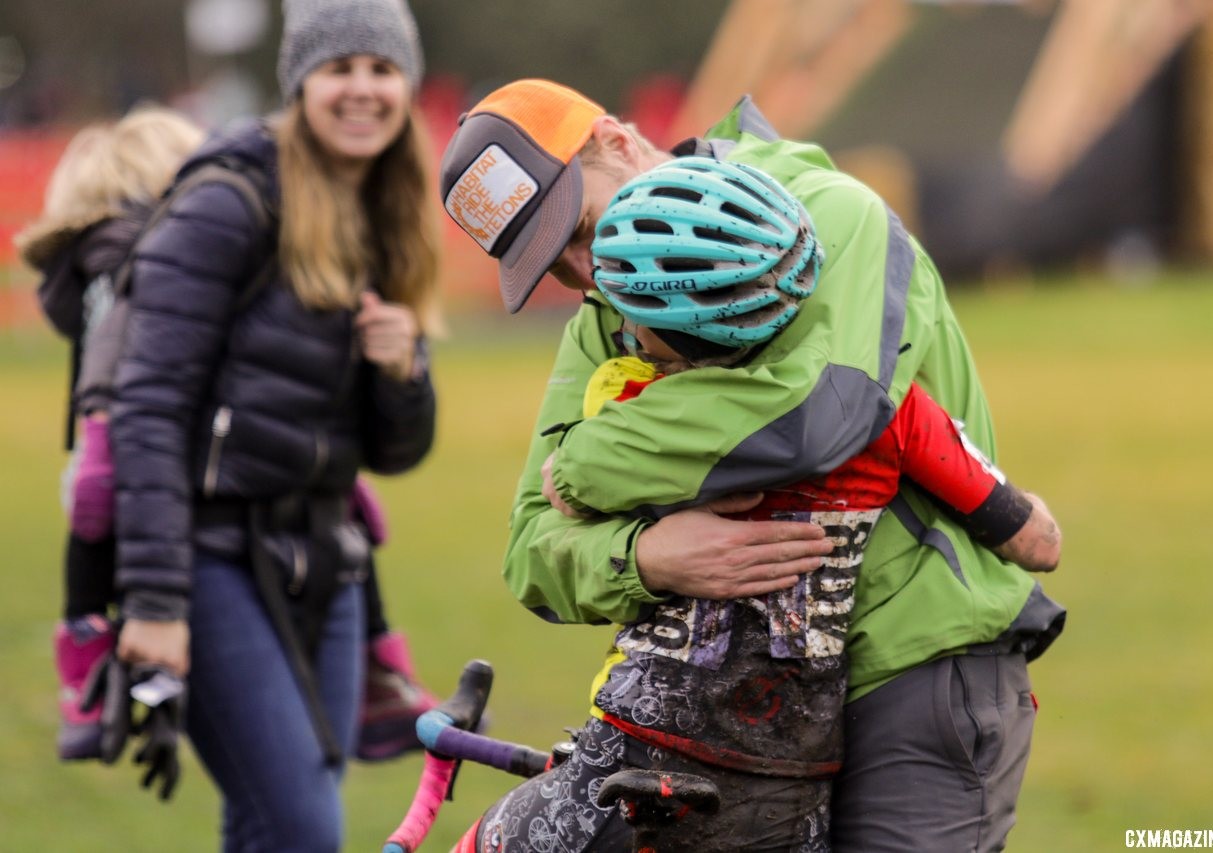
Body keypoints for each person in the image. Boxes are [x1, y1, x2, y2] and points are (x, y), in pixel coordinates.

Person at [437, 79, 1066, 850]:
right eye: (556, 267)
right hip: (739, 727)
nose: (590, 275)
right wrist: (646, 557)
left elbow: (820, 415)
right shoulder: (606, 309)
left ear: (616, 140)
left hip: (917, 668)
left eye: (583, 227)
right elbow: (531, 549)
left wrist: (582, 463)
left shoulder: (829, 211)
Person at [103, 0, 437, 846]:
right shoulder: (230, 200)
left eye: (382, 68)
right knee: (299, 825)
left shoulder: (385, 211)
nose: (362, 89)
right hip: (211, 558)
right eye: (340, 68)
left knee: (278, 820)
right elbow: (144, 403)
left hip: (325, 562)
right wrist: (152, 599)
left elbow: (395, 452)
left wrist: (401, 370)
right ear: (299, 81)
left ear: (406, 84)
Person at [14, 104, 437, 770]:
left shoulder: (120, 269)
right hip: (211, 524)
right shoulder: (151, 265)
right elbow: (128, 407)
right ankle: (379, 662)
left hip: (266, 513)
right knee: (290, 812)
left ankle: (86, 647)